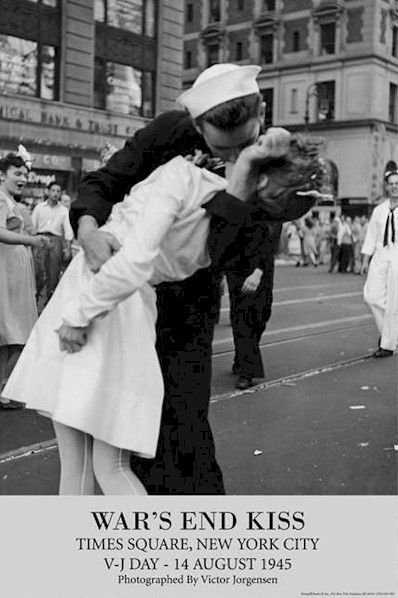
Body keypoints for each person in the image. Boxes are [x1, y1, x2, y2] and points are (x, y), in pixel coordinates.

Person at [68, 63, 317, 495]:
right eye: (222, 147)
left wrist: (255, 178)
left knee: (184, 423)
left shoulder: (270, 157)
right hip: (127, 299)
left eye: (243, 145)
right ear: (197, 125)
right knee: (116, 427)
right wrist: (88, 227)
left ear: (261, 111)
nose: (232, 156)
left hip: (189, 302)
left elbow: (231, 244)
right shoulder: (168, 134)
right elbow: (106, 179)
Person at [0, 153, 48, 410]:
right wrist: (31, 240)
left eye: (24, 174)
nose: (22, 179)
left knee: (11, 332)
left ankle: (5, 385)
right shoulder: (0, 199)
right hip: (5, 271)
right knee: (8, 328)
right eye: (16, 174)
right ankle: (3, 387)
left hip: (14, 271)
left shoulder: (11, 202)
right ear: (2, 175)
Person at [361, 170, 398, 358]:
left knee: (393, 302)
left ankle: (388, 343)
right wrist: (365, 260)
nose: (394, 186)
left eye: (397, 183)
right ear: (386, 186)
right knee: (371, 296)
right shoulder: (379, 210)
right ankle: (389, 335)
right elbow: (371, 237)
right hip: (380, 255)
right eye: (391, 183)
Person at [31, 180, 74, 304]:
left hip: (56, 241)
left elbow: (68, 231)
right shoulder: (39, 207)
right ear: (48, 191)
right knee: (37, 273)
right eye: (53, 190)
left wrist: (68, 249)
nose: (55, 193)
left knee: (53, 274)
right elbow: (33, 226)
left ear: (61, 193)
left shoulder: (63, 210)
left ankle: (48, 305)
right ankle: (34, 300)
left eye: (58, 191)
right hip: (40, 239)